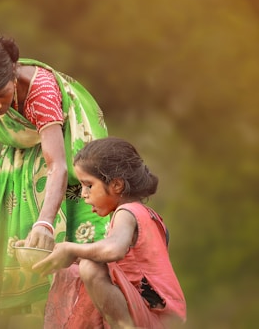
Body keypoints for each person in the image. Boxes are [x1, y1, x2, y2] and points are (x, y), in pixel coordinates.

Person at [0, 27, 109, 328]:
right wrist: (8, 207)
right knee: (7, 266)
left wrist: (44, 221)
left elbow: (58, 165)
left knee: (84, 262)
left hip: (67, 166)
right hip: (16, 165)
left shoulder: (41, 90)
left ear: (13, 76)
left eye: (1, 96)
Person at [33, 137, 187, 329]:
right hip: (158, 316)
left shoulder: (128, 212)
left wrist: (71, 248)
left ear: (116, 185)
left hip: (152, 316)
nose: (83, 194)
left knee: (90, 267)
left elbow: (114, 250)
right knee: (74, 268)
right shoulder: (145, 215)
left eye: (89, 185)